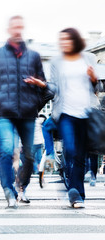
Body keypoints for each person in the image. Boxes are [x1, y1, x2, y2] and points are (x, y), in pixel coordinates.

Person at [0, 16, 50, 208]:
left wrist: (37, 95)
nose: (17, 29)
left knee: (28, 154)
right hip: (4, 112)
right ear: (9, 29)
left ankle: (22, 187)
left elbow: (43, 84)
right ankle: (8, 190)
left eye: (20, 26)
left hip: (28, 112)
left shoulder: (34, 56)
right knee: (6, 150)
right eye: (14, 26)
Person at [47, 28, 98, 208]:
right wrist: (42, 85)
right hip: (66, 113)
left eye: (67, 39)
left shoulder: (89, 58)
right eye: (61, 40)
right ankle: (74, 191)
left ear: (75, 40)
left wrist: (93, 78)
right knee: (71, 150)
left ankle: (77, 193)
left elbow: (97, 86)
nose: (64, 43)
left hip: (86, 112)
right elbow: (53, 88)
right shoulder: (56, 62)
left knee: (80, 156)